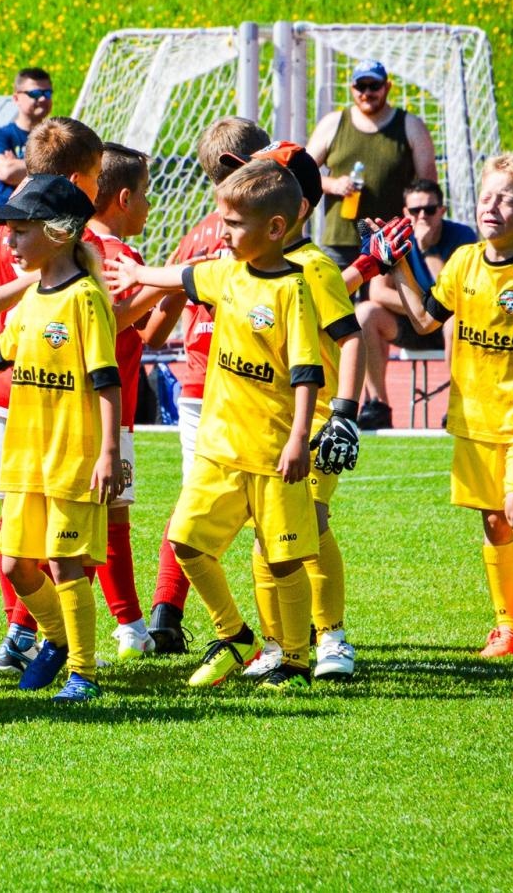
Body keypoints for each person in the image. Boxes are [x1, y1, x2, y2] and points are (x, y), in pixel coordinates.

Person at [111, 158, 327, 691]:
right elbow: (180, 277)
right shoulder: (224, 273)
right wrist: (137, 274)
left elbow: (306, 371)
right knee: (186, 542)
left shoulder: (292, 290)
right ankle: (234, 636)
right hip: (218, 448)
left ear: (275, 229)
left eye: (233, 225)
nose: (222, 234)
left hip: (273, 452)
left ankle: (296, 659)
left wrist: (301, 436)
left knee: (282, 562)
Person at [390, 153, 513, 658]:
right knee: (493, 520)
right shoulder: (462, 263)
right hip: (475, 417)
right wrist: (396, 269)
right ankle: (506, 626)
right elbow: (427, 320)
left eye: (507, 199)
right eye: (486, 197)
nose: (491, 206)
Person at [0, 174, 125, 702]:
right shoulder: (32, 298)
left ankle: (84, 672)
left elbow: (107, 380)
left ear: (57, 233)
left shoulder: (84, 299)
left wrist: (109, 454)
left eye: (19, 231)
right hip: (27, 460)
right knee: (14, 564)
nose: (9, 242)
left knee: (65, 563)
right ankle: (53, 636)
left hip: (72, 457)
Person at [242, 142, 366, 682]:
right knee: (266, 533)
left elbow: (351, 337)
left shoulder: (314, 265)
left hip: (312, 421)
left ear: (296, 206)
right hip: (265, 419)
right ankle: (277, 641)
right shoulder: (246, 262)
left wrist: (344, 413)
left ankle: (331, 636)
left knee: (310, 521)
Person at [142, 116, 265, 654]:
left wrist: (144, 339)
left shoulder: (196, 235)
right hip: (250, 381)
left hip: (194, 382)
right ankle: (302, 627)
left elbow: (164, 312)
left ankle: (166, 611)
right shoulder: (266, 224)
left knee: (196, 496)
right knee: (272, 498)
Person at [86, 143, 166, 661]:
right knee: (110, 519)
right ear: (121, 198)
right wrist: (164, 282)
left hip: (97, 402)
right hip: (104, 405)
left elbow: (147, 336)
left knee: (104, 516)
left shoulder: (84, 244)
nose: (150, 206)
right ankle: (131, 625)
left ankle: (130, 624)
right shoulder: (114, 255)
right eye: (144, 195)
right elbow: (112, 321)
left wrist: (173, 288)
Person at [353, 178, 478, 429]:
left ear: (442, 210)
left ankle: (457, 404)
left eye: (430, 210)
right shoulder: (397, 236)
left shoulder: (462, 237)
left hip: (450, 325)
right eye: (415, 211)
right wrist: (420, 307)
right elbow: (378, 293)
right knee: (364, 313)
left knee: (454, 320)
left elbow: (460, 297)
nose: (422, 216)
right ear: (405, 213)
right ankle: (377, 405)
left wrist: (428, 249)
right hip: (409, 322)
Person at [308, 60, 438, 267]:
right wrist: (333, 185)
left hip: (390, 241)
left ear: (387, 87)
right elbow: (301, 173)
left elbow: (428, 186)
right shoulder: (333, 123)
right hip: (339, 241)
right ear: (352, 88)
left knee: (380, 300)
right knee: (335, 299)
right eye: (361, 86)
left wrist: (422, 228)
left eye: (374, 86)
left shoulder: (411, 126)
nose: (367, 93)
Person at [0, 68, 54, 205]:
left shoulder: (56, 134)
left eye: (47, 93)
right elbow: (7, 172)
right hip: (10, 220)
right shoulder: (0, 135)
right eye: (34, 93)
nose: (42, 98)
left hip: (47, 220)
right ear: (16, 98)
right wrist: (52, 169)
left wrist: (20, 165)